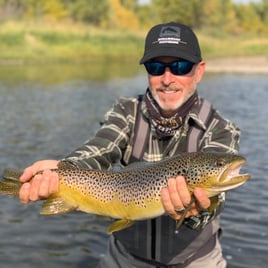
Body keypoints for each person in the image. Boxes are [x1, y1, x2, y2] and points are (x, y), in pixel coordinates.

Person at [19, 22, 240, 267]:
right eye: (156, 67)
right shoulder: (126, 112)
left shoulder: (220, 129)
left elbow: (214, 200)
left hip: (196, 261)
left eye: (180, 66)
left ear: (199, 71)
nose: (167, 78)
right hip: (125, 259)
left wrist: (197, 211)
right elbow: (100, 148)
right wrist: (65, 168)